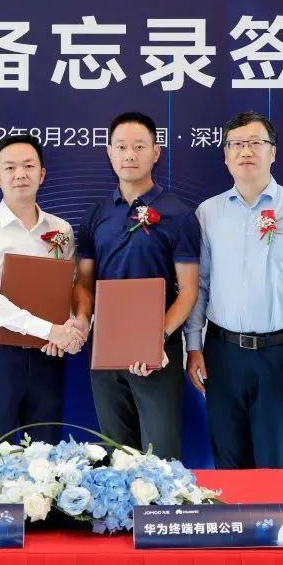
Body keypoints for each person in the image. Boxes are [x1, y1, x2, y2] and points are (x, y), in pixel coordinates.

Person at [185, 110, 283, 468]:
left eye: (255, 142)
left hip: (278, 355)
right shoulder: (208, 212)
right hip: (222, 353)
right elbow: (200, 285)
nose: (246, 151)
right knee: (228, 461)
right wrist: (194, 346)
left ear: (273, 152)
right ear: (225, 155)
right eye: (236, 144)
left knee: (275, 464)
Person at [75, 112, 201, 460]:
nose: (129, 155)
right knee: (115, 453)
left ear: (155, 153)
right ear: (109, 152)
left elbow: (189, 290)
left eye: (139, 147)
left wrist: (155, 337)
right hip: (106, 350)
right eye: (121, 147)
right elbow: (84, 283)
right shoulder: (95, 214)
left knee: (161, 456)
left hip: (157, 350)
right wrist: (82, 321)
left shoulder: (179, 215)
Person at [0, 134, 86, 449]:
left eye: (29, 166)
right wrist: (50, 330)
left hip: (47, 356)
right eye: (10, 167)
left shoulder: (61, 229)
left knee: (45, 452)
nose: (20, 174)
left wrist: (68, 327)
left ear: (42, 174)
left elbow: (68, 288)